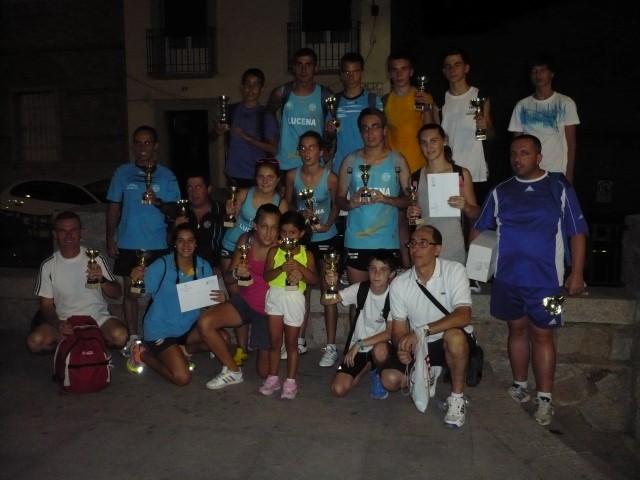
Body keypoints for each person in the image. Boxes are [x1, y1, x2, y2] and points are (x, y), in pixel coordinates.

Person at [471, 134, 588, 426]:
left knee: (544, 335)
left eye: (524, 153)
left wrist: (577, 273)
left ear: (538, 157)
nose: (517, 158)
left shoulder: (558, 187)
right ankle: (520, 386)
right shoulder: (500, 190)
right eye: (513, 153)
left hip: (549, 283)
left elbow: (577, 232)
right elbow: (479, 227)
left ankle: (545, 398)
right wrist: (476, 266)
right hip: (507, 280)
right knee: (516, 330)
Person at [380, 224, 474, 428]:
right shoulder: (400, 283)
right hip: (420, 345)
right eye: (412, 243)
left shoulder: (454, 271)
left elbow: (464, 315)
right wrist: (403, 348)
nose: (416, 248)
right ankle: (428, 371)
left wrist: (422, 331)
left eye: (423, 243)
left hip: (448, 339)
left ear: (437, 249)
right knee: (389, 380)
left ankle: (456, 399)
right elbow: (398, 329)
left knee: (454, 337)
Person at [106, 126, 181, 356]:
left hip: (158, 244)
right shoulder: (122, 173)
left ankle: (157, 336)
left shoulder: (167, 176)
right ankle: (133, 337)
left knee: (159, 293)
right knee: (131, 293)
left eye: (147, 142)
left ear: (155, 146)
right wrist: (110, 236)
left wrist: (157, 201)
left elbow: (175, 210)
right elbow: (113, 207)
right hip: (129, 243)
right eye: (138, 142)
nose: (142, 147)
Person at [126, 223, 227, 386]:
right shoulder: (162, 265)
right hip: (161, 329)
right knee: (182, 378)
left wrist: (220, 300)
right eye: (181, 240)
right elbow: (132, 296)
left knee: (223, 338)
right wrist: (135, 280)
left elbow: (208, 304)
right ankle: (141, 355)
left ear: (196, 243)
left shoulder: (203, 266)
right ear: (174, 243)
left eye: (190, 240)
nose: (186, 245)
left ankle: (184, 350)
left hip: (188, 327)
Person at [198, 203, 281, 389]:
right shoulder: (246, 240)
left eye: (274, 227)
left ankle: (274, 342)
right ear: (255, 225)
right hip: (246, 302)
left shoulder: (283, 248)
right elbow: (228, 278)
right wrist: (236, 273)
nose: (269, 233)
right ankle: (233, 370)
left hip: (269, 311)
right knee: (205, 322)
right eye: (264, 226)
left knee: (264, 373)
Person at [219, 158, 289, 363]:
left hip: (261, 252)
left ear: (278, 180)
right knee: (237, 296)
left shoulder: (281, 203)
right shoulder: (244, 193)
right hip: (232, 246)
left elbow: (284, 231)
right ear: (255, 178)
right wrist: (228, 213)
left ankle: (260, 337)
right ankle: (241, 348)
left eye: (270, 177)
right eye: (261, 176)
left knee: (255, 294)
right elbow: (228, 218)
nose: (265, 181)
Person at [27, 211, 127, 354]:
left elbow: (117, 293)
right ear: (55, 235)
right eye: (62, 231)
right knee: (35, 342)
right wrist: (57, 323)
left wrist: (102, 280)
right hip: (64, 320)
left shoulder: (95, 258)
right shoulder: (48, 265)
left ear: (81, 233)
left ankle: (82, 343)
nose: (68, 236)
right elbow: (46, 305)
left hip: (97, 319)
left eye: (73, 230)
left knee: (120, 336)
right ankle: (80, 345)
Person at [336, 108, 411, 287]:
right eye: (365, 128)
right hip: (357, 240)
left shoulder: (397, 161)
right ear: (360, 132)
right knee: (358, 296)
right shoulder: (350, 161)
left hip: (387, 240)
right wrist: (351, 203)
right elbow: (339, 200)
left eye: (375, 127)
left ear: (384, 130)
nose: (370, 132)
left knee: (386, 298)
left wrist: (386, 199)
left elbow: (410, 199)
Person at [284, 131, 340, 367]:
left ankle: (331, 346)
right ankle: (299, 340)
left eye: (312, 147)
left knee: (329, 289)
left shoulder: (331, 178)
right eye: (303, 148)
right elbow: (287, 202)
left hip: (326, 236)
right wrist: (298, 214)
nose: (307, 152)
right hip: (303, 239)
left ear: (321, 151)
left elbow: (337, 205)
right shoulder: (292, 175)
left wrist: (328, 224)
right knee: (302, 289)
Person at [383, 52, 437, 268]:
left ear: (411, 72)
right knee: (401, 222)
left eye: (404, 69)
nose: (399, 74)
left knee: (423, 221)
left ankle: (427, 265)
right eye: (395, 69)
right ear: (389, 73)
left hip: (420, 168)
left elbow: (432, 129)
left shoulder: (422, 96)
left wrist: (427, 107)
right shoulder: (386, 101)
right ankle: (407, 268)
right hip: (397, 170)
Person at [261, 211, 318, 399]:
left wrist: (299, 268)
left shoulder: (306, 254)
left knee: (292, 343)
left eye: (292, 232)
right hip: (275, 296)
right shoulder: (274, 251)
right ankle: (273, 378)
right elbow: (266, 276)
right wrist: (281, 268)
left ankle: (291, 381)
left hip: (294, 298)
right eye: (284, 232)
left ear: (301, 233)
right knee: (275, 342)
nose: (287, 236)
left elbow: (313, 279)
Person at [326, 250, 396, 399]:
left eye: (383, 270)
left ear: (391, 274)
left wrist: (359, 344)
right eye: (373, 268)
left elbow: (389, 333)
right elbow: (326, 301)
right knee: (338, 389)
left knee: (380, 350)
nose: (377, 274)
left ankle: (379, 373)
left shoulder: (395, 296)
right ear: (368, 270)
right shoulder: (361, 288)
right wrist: (331, 285)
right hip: (359, 348)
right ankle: (369, 366)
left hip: (381, 347)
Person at [407, 124, 479, 266]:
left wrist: (466, 206)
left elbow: (476, 214)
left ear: (444, 141)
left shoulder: (461, 174)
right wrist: (411, 215)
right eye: (424, 143)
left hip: (453, 246)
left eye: (433, 141)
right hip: (424, 247)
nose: (428, 147)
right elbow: (416, 220)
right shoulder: (414, 178)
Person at [508, 54, 580, 182]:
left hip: (557, 170)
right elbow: (516, 145)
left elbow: (571, 143)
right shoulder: (521, 106)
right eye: (534, 71)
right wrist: (517, 173)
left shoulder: (566, 103)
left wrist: (569, 174)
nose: (538, 74)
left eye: (542, 70)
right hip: (529, 172)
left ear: (552, 73)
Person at [439, 47, 495, 205]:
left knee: (476, 215)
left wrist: (485, 127)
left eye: (457, 65)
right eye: (448, 66)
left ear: (466, 68)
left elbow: (491, 136)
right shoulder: (439, 99)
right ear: (443, 71)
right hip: (448, 170)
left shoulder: (480, 96)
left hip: (476, 170)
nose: (452, 70)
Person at [267, 48, 332, 173]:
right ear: (293, 68)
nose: (303, 70)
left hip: (314, 164)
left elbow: (332, 128)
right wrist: (273, 142)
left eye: (308, 65)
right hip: (286, 162)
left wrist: (327, 148)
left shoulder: (325, 94)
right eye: (299, 65)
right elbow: (267, 117)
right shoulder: (281, 93)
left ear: (316, 68)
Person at [212, 68, 279, 188]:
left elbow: (274, 149)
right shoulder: (231, 110)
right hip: (233, 174)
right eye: (248, 84)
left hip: (256, 176)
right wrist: (217, 131)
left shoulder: (265, 115)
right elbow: (211, 137)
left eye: (255, 85)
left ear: (261, 89)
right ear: (242, 87)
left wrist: (248, 138)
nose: (251, 88)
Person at [325, 52, 383, 175]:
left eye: (355, 72)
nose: (351, 77)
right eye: (347, 72)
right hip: (341, 164)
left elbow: (382, 133)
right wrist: (330, 129)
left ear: (362, 73)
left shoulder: (373, 100)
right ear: (341, 74)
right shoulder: (334, 101)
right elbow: (329, 136)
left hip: (369, 163)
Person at [174, 172, 225, 271]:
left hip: (214, 270)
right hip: (185, 270)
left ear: (208, 189)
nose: (193, 192)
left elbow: (231, 244)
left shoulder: (222, 211)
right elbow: (170, 243)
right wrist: (175, 229)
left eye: (198, 187)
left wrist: (221, 267)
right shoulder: (180, 212)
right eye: (190, 188)